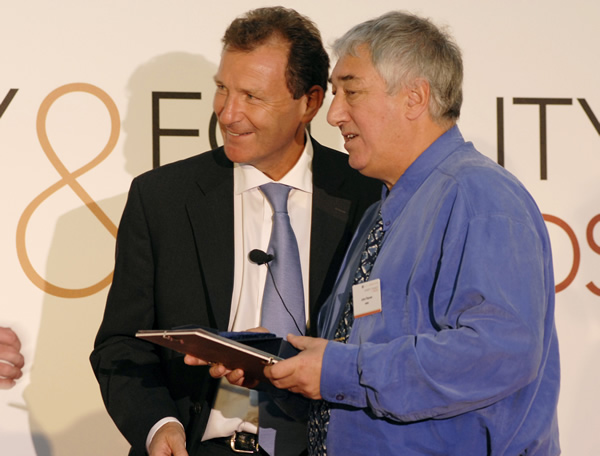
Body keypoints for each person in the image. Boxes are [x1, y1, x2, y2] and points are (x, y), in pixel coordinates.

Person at [262, 11, 561, 455]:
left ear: (415, 98)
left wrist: (342, 371)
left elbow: (499, 353)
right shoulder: (382, 211)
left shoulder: (479, 195)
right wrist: (278, 361)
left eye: (352, 91)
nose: (334, 113)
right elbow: (357, 350)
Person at [90, 6, 379, 456]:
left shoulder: (369, 198)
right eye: (222, 89)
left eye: (252, 96)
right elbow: (121, 346)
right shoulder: (162, 198)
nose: (227, 113)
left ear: (311, 102)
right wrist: (158, 426)